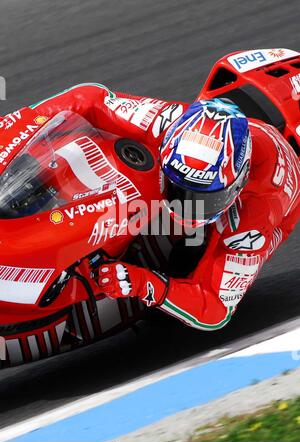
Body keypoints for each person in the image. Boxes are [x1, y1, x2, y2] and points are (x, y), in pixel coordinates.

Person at [33, 83, 300, 330]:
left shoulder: (257, 214)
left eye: (204, 198)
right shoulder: (166, 121)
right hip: (213, 150)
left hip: (270, 207)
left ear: (238, 181)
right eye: (179, 190)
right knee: (119, 150)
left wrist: (141, 283)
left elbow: (216, 311)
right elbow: (88, 97)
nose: (186, 206)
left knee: (183, 260)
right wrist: (20, 124)